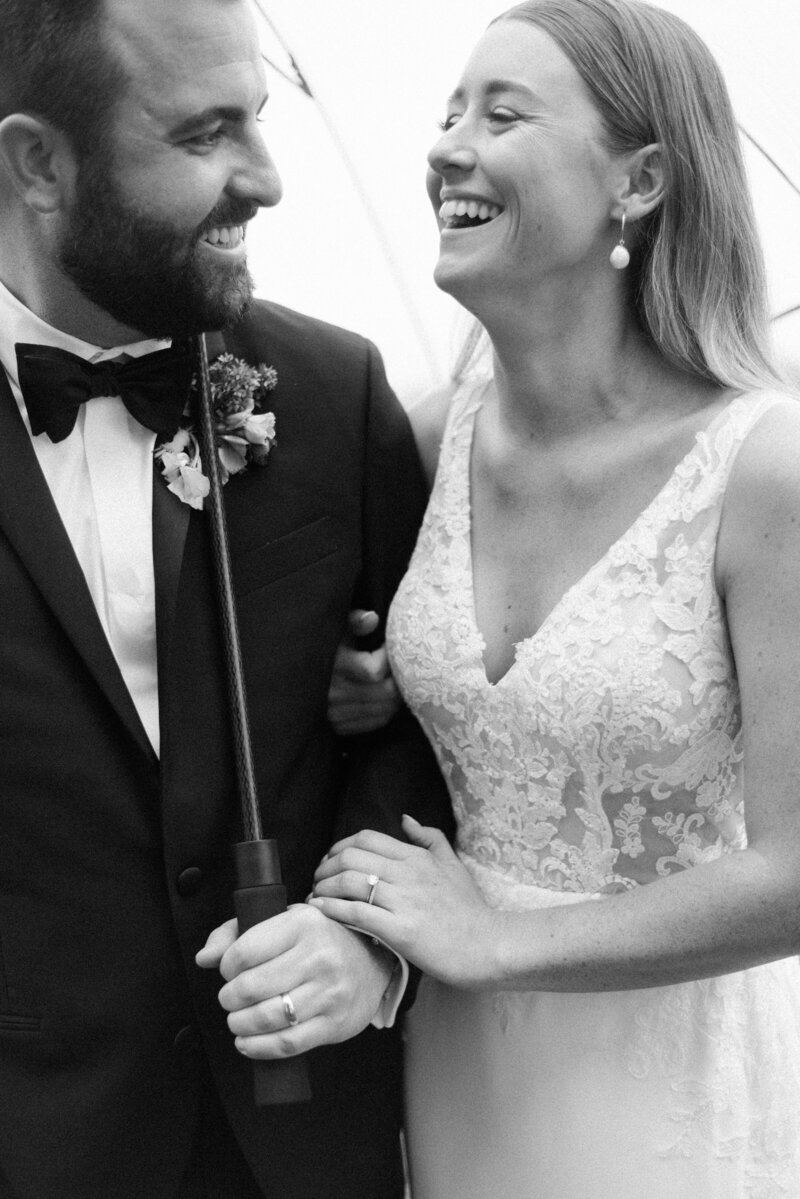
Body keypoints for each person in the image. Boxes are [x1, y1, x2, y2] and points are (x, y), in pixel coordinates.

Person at [314, 1, 800, 1195]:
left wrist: (500, 939)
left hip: (663, 1081)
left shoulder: (762, 471)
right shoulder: (424, 439)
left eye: (502, 111)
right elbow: (395, 693)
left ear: (636, 180)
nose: (445, 145)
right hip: (458, 1069)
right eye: (444, 111)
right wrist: (363, 687)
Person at [0, 0, 451, 1196]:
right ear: (38, 162)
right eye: (205, 135)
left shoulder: (331, 388)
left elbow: (431, 729)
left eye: (256, 119)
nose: (267, 177)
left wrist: (364, 937)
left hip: (306, 1133)